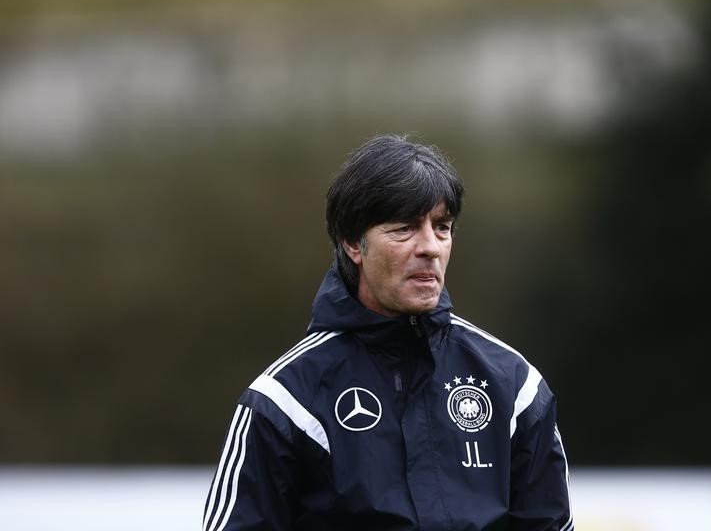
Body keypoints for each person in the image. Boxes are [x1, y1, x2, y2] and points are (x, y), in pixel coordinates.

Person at [203, 134, 573, 531]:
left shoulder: (513, 384)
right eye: (404, 229)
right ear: (352, 243)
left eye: (442, 227)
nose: (430, 246)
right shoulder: (287, 400)